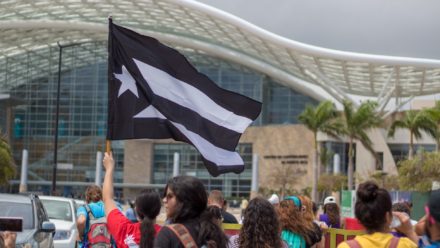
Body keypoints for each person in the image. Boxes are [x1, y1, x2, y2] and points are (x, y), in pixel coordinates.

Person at [103, 152, 162, 248]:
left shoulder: (124, 230)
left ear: (136, 209)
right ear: (158, 210)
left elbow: (107, 198)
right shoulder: (168, 235)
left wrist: (109, 169)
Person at [338, 181, 418, 248]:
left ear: (360, 218)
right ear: (387, 217)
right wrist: (410, 231)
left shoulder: (345, 246)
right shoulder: (404, 245)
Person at [154, 175, 228, 248]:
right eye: (165, 196)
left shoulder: (168, 234)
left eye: (170, 196)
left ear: (185, 200)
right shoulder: (214, 233)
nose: (164, 200)